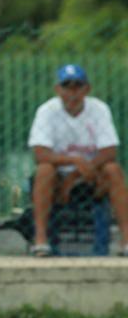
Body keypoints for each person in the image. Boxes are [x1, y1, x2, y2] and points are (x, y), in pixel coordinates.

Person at [27, 63, 128, 256]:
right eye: (67, 87)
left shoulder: (99, 109)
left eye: (77, 87)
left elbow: (109, 151)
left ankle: (126, 240)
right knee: (44, 170)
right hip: (58, 176)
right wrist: (74, 162)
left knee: (113, 170)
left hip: (92, 174)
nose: (72, 93)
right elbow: (40, 153)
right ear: (58, 89)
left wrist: (75, 175)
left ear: (86, 89)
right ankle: (40, 239)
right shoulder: (47, 111)